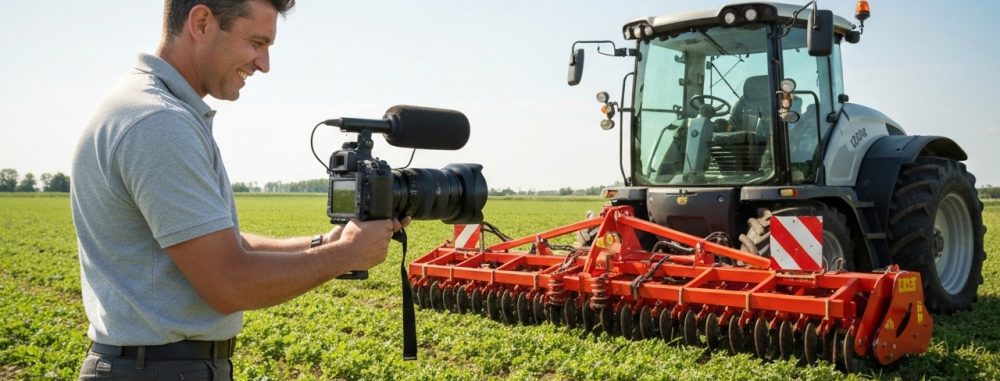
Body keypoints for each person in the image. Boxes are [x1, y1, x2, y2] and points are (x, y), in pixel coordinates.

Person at [70, 1, 407, 379]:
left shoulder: (146, 106)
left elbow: (219, 244)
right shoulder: (159, 121)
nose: (263, 64)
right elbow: (228, 282)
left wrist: (325, 243)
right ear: (201, 22)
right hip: (160, 370)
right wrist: (345, 255)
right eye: (256, 42)